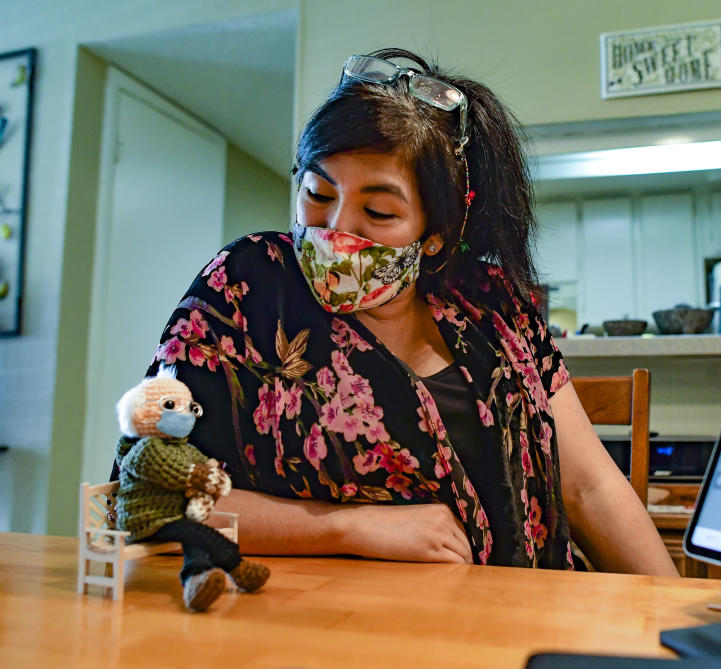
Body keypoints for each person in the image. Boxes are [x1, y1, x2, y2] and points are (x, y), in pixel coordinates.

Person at [138, 47, 677, 575]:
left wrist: (673, 619)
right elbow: (150, 496)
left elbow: (587, 488)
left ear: (437, 236)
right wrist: (347, 527)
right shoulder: (246, 284)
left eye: (378, 211)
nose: (334, 231)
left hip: (521, 619)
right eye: (317, 193)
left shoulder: (493, 303)